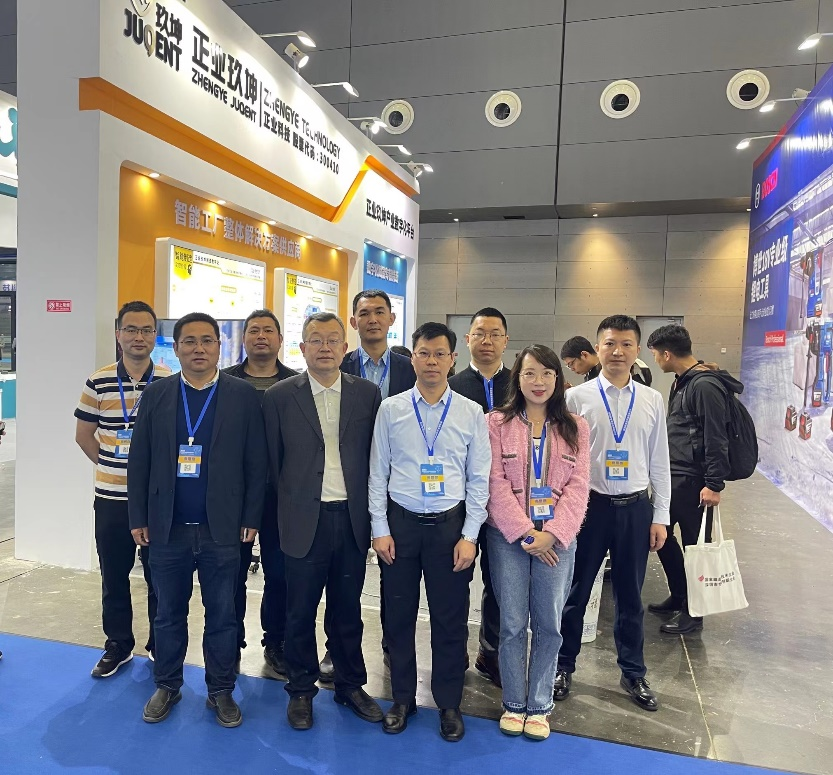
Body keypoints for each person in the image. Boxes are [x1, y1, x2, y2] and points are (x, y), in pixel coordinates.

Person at [128, 312, 267, 727]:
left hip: (221, 529)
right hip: (166, 526)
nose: (199, 349)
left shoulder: (242, 396)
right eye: (189, 341)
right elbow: (140, 460)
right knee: (167, 613)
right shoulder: (157, 394)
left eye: (207, 340)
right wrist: (138, 516)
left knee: (223, 615)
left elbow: (256, 462)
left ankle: (220, 690)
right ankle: (167, 684)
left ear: (219, 347)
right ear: (176, 348)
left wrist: (251, 516)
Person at [370, 321, 491, 742]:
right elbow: (377, 473)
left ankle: (449, 704)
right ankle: (402, 699)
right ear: (413, 358)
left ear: (453, 359)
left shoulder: (471, 413)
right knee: (398, 618)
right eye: (424, 353)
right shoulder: (391, 409)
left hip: (450, 529)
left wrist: (470, 536)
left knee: (450, 620)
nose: (432, 361)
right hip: (400, 527)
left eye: (440, 354)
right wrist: (380, 528)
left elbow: (479, 479)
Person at [262, 312, 383, 731]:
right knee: (299, 612)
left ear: (345, 348)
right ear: (302, 348)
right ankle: (300, 690)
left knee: (348, 610)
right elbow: (271, 463)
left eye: (333, 340)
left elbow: (376, 457)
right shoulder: (279, 396)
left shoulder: (367, 394)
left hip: (350, 520)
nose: (325, 347)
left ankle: (350, 685)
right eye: (316, 340)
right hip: (301, 521)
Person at [557, 315, 670, 712]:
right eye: (609, 343)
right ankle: (563, 665)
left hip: (635, 509)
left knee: (630, 596)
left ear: (637, 350)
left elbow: (660, 462)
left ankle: (633, 672)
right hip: (588, 508)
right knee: (575, 592)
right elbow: (563, 459)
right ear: (597, 348)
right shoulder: (577, 398)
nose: (617, 351)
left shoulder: (652, 400)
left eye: (625, 344)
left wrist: (661, 515)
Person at [486, 345, 590, 741]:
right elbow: (495, 483)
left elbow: (579, 486)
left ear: (558, 380)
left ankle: (540, 704)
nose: (539, 382)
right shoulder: (496, 422)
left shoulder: (575, 426)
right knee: (512, 624)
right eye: (529, 373)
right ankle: (514, 703)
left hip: (557, 539)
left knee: (549, 623)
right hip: (509, 538)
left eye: (547, 373)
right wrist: (528, 533)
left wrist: (554, 534)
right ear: (517, 379)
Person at [74, 301, 171, 678]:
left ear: (154, 336)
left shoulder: (169, 380)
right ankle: (118, 644)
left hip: (155, 501)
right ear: (118, 334)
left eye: (146, 330)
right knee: (114, 575)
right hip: (111, 500)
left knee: (159, 577)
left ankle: (160, 644)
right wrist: (111, 468)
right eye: (131, 329)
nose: (138, 337)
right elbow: (84, 435)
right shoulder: (98, 380)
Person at [325, 289, 416, 680]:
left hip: (400, 488)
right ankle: (336, 650)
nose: (373, 319)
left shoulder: (411, 368)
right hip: (348, 486)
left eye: (380, 312)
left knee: (396, 577)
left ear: (392, 319)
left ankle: (394, 648)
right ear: (354, 321)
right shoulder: (336, 364)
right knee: (342, 577)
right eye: (365, 313)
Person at [647, 324, 738, 635]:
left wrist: (714, 484)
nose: (655, 360)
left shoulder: (704, 386)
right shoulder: (683, 381)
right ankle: (680, 594)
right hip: (676, 476)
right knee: (658, 536)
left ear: (666, 354)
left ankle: (694, 612)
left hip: (695, 481)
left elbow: (716, 436)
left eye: (655, 354)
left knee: (695, 548)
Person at [223, 309, 296, 675]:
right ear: (244, 339)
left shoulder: (297, 383)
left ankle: (276, 641)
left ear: (280, 340)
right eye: (254, 330)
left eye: (269, 330)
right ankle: (230, 639)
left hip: (281, 495)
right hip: (234, 495)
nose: (261, 336)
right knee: (231, 571)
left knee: (280, 573)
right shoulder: (224, 382)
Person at [448, 307, 510, 687]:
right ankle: (454, 653)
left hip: (506, 504)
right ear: (468, 339)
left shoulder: (520, 386)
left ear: (506, 340)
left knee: (500, 582)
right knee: (456, 579)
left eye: (495, 334)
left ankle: (492, 652)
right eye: (480, 333)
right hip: (460, 502)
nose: (487, 341)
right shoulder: (451, 386)